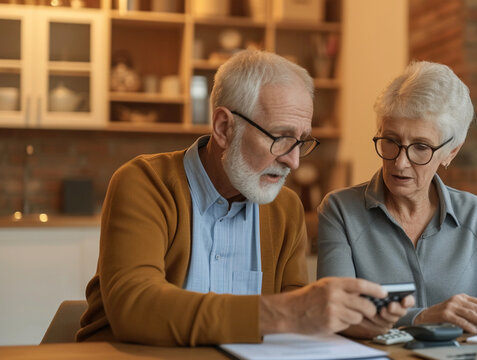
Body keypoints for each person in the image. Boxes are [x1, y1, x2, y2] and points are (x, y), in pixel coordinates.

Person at [77, 50, 413, 346]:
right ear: (224, 128)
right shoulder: (145, 183)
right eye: (280, 138)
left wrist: (348, 323)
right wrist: (285, 312)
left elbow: (293, 327)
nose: (293, 161)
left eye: (301, 141)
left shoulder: (285, 208)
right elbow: (136, 307)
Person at [316, 61, 477, 339]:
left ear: (451, 153)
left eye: (420, 147)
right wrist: (423, 317)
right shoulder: (340, 211)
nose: (400, 162)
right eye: (391, 141)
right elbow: (335, 312)